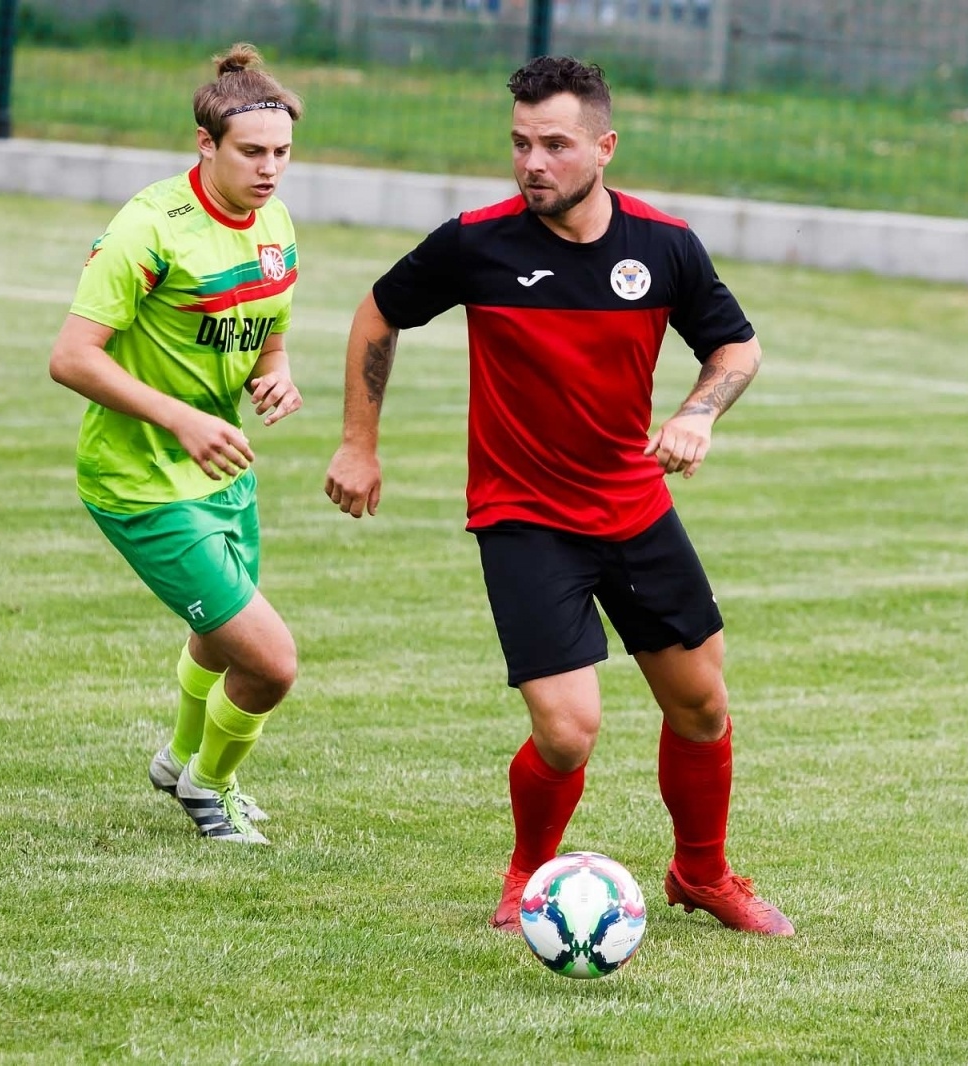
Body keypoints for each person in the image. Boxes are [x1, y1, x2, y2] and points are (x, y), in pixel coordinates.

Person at [323, 56, 793, 935]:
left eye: (554, 145)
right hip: (523, 516)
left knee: (700, 704)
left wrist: (697, 414)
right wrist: (359, 442)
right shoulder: (476, 242)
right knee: (570, 729)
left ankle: (703, 874)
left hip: (635, 505)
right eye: (519, 144)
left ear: (604, 148)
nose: (532, 163)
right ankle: (529, 871)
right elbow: (378, 313)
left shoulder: (664, 246)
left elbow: (736, 348)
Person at [49, 44, 304, 846]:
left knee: (216, 635)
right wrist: (180, 418)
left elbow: (267, 326)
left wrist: (278, 375)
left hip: (217, 473)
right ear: (206, 145)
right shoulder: (149, 227)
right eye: (252, 153)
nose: (270, 171)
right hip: (140, 481)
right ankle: (208, 788)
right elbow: (71, 357)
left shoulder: (273, 219)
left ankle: (178, 761)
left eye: (283, 154)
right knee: (270, 663)